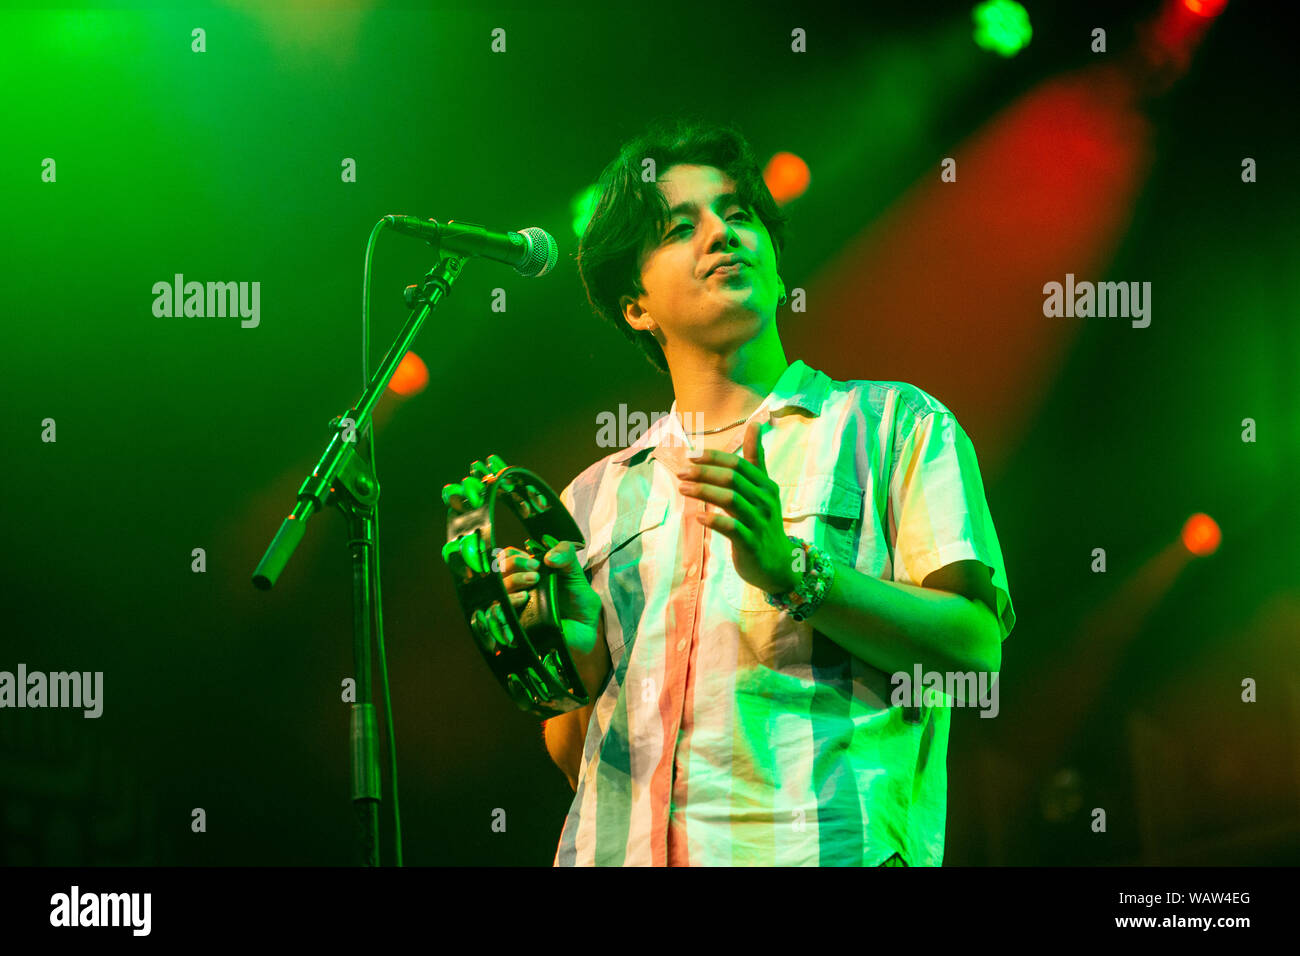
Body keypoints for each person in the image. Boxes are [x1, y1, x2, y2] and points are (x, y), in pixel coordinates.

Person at [498, 117, 1016, 866]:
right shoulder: (592, 500)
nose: (721, 232)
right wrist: (579, 669)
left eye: (737, 214)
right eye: (680, 227)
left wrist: (794, 571)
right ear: (634, 306)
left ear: (776, 268)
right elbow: (577, 756)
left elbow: (974, 655)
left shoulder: (893, 426)